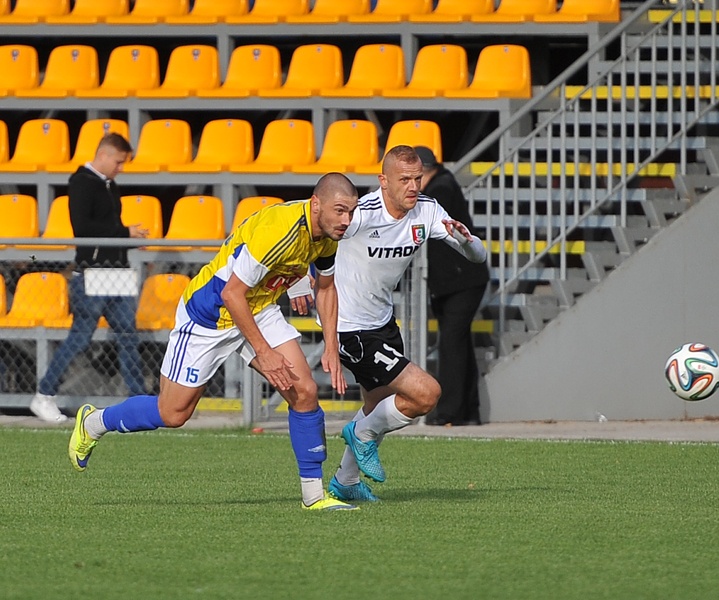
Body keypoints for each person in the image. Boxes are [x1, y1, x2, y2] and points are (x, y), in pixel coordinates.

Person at [67, 173, 361, 511]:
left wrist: (330, 346)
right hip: (210, 313)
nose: (346, 220)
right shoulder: (280, 230)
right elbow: (231, 293)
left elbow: (325, 287)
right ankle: (93, 422)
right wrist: (263, 353)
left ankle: (314, 497)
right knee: (173, 413)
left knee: (305, 392)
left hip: (258, 307)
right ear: (316, 204)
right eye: (340, 211)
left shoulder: (326, 233)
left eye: (351, 213)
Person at [323, 145, 487, 503]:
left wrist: (466, 239)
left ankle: (345, 480)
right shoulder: (361, 214)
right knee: (426, 394)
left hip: (383, 322)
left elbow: (479, 257)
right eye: (404, 180)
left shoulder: (426, 210)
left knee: (378, 409)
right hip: (350, 327)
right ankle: (360, 435)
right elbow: (317, 241)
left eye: (417, 178)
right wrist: (306, 284)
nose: (413, 186)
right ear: (383, 181)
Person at [30, 133, 149, 423]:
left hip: (115, 271)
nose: (121, 168)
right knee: (81, 337)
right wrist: (125, 234)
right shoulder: (82, 182)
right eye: (119, 162)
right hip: (94, 271)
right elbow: (83, 228)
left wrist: (127, 239)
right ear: (105, 155)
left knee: (127, 336)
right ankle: (44, 395)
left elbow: (107, 228)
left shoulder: (109, 184)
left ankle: (138, 399)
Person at [415, 146, 489, 427]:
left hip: (461, 281)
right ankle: (469, 411)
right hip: (456, 281)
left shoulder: (440, 189)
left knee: (451, 344)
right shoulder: (442, 183)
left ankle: (450, 412)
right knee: (458, 344)